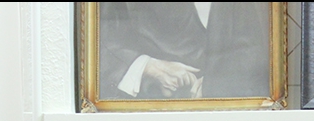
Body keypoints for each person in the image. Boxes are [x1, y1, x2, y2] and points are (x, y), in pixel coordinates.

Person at [98, 2, 271, 100]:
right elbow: (98, 43)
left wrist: (219, 84)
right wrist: (147, 67)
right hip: (148, 115)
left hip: (225, 117)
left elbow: (257, 48)